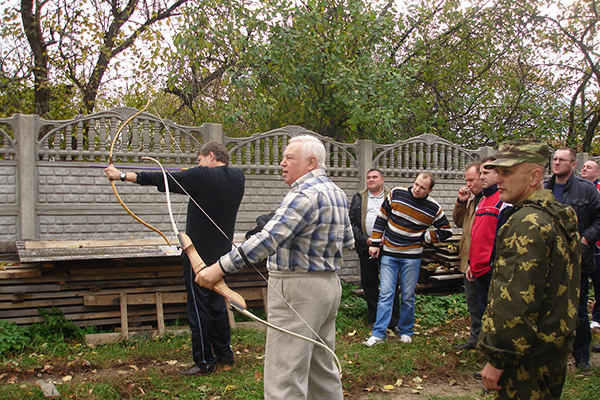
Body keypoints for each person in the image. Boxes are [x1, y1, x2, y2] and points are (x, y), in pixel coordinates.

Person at [196, 135, 354, 400]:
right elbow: (348, 240)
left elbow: (267, 240)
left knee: (284, 376)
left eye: (289, 158)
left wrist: (218, 269)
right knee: (322, 370)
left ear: (311, 162)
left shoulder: (304, 194)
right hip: (328, 287)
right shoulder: (336, 192)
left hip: (298, 290)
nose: (282, 163)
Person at [105, 141, 245, 375]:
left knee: (199, 308)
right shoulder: (238, 177)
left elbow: (162, 178)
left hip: (197, 257)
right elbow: (190, 179)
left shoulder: (202, 176)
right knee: (218, 305)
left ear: (211, 156)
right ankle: (225, 357)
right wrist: (192, 174)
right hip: (222, 258)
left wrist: (120, 175)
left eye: (199, 160)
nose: (197, 165)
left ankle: (204, 363)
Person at [478, 140, 580, 398]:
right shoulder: (556, 214)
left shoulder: (526, 222)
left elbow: (515, 300)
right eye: (498, 171)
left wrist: (498, 359)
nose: (499, 179)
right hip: (550, 350)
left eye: (508, 172)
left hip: (525, 359)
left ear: (535, 176)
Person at [363, 172, 453, 347]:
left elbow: (446, 230)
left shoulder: (433, 207)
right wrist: (374, 243)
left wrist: (426, 237)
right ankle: (378, 333)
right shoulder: (397, 193)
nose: (417, 189)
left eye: (422, 188)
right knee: (386, 293)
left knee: (408, 296)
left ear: (430, 190)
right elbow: (382, 218)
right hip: (389, 253)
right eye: (416, 184)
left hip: (411, 257)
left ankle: (406, 331)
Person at [544, 147, 600, 371]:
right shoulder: (544, 188)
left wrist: (585, 240)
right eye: (555, 159)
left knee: (577, 310)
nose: (556, 163)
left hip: (577, 261)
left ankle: (581, 356)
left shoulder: (586, 190)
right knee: (548, 308)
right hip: (548, 260)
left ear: (574, 165)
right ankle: (550, 354)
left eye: (562, 160)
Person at [349, 169, 400, 328]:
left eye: (374, 177)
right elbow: (352, 223)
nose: (371, 180)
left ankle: (394, 320)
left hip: (389, 246)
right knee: (369, 282)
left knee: (390, 283)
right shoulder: (359, 197)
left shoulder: (393, 197)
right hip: (367, 247)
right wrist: (367, 241)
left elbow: (399, 220)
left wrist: (387, 239)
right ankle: (375, 317)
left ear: (382, 180)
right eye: (368, 177)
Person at [465, 157, 505, 331]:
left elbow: (498, 238)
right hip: (477, 268)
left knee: (494, 313)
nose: (482, 177)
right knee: (480, 311)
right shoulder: (481, 202)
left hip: (492, 269)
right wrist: (471, 264)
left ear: (498, 174)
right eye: (480, 173)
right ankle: (480, 343)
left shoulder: (502, 200)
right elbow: (476, 236)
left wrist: (491, 263)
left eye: (486, 173)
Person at [452, 161, 483, 350]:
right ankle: (474, 338)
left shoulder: (493, 200)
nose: (468, 184)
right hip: (468, 260)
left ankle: (485, 341)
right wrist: (461, 202)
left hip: (483, 262)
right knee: (473, 303)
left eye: (471, 180)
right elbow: (458, 221)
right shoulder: (472, 201)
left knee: (484, 302)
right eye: (466, 180)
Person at [579, 159, 600, 352]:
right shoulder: (579, 189)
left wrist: (586, 239)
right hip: (588, 251)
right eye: (583, 166)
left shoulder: (596, 191)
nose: (584, 169)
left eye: (589, 167)